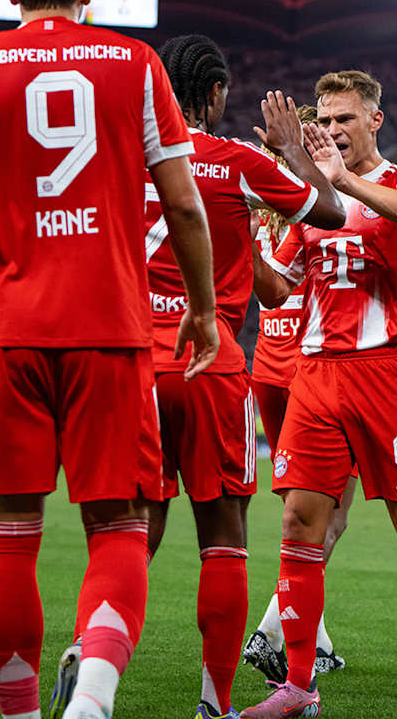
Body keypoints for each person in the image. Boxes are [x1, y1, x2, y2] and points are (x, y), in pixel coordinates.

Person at [0, 0, 219, 719]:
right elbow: (183, 204)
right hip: (110, 330)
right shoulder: (137, 64)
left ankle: (21, 717)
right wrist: (203, 311)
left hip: (5, 335)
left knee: (8, 532)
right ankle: (95, 697)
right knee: (117, 526)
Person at [136, 36, 343, 719]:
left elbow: (267, 283)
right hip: (212, 360)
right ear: (219, 93)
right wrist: (292, 153)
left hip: (136, 361)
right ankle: (215, 704)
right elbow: (333, 213)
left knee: (130, 529)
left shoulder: (122, 158)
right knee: (223, 535)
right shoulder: (239, 162)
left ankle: (94, 651)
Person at [243, 69, 397, 718]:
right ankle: (299, 686)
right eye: (327, 121)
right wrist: (239, 221)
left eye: (346, 119)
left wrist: (340, 178)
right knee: (297, 525)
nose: (334, 130)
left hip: (386, 373)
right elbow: (275, 290)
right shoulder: (312, 199)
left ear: (374, 120)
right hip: (315, 373)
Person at [243, 103, 349, 687]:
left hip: (268, 367)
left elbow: (267, 292)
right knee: (327, 514)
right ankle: (271, 628)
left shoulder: (262, 203)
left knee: (298, 513)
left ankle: (319, 640)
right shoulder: (321, 208)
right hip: (320, 370)